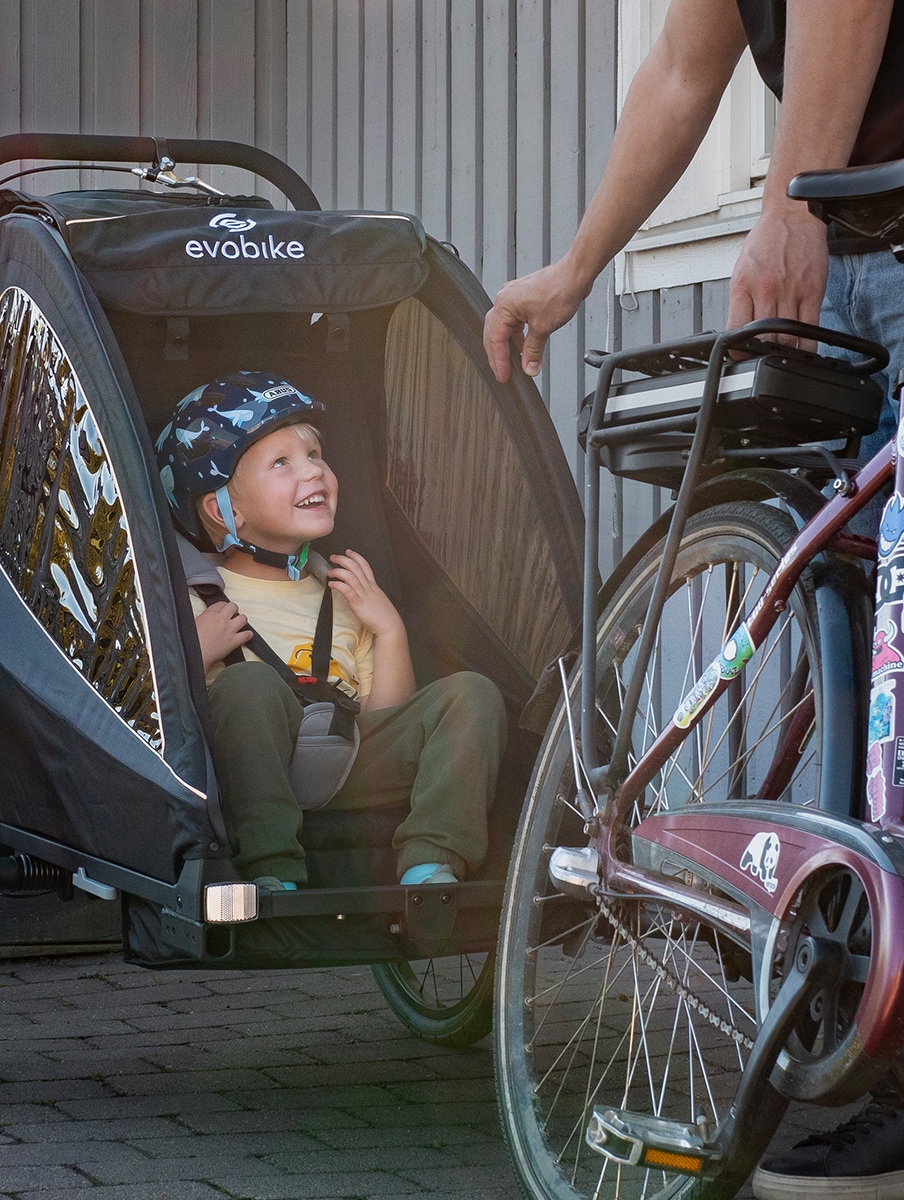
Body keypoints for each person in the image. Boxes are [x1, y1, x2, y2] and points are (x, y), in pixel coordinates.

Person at [480, 2, 903, 1196]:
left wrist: (793, 203)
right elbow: (682, 64)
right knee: (873, 668)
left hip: (843, 224)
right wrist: (576, 267)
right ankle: (879, 1052)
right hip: (854, 245)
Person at [155, 370, 505, 891]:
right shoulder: (191, 598)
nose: (313, 472)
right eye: (282, 463)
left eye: (315, 454)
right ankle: (272, 869)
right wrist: (188, 657)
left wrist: (388, 632)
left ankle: (431, 862)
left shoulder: (343, 597)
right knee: (247, 685)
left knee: (471, 695)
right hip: (248, 778)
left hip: (346, 762)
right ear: (223, 510)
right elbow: (150, 725)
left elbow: (384, 721)